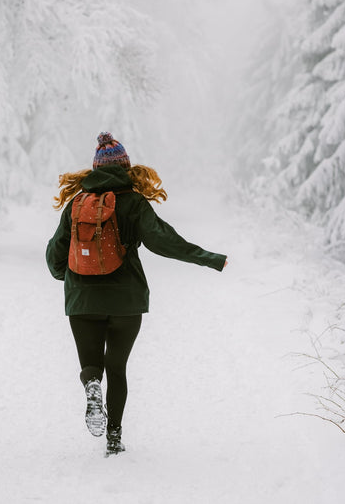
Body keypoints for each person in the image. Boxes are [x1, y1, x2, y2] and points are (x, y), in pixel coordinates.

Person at [46, 132, 227, 457]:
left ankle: (91, 386)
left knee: (92, 363)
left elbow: (54, 255)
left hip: (82, 300)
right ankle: (113, 439)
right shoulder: (133, 202)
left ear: (95, 168)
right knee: (117, 367)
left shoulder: (77, 203)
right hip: (126, 301)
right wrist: (210, 259)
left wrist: (70, 279)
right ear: (126, 168)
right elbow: (163, 240)